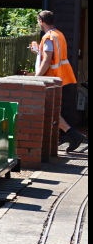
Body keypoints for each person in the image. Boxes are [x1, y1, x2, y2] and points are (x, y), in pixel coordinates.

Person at [31, 10, 85, 151]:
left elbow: (47, 59)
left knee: (49, 109)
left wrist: (36, 77)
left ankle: (72, 135)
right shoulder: (58, 34)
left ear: (41, 21)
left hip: (51, 79)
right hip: (60, 77)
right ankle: (69, 135)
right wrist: (38, 52)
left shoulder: (48, 37)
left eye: (38, 21)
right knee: (52, 110)